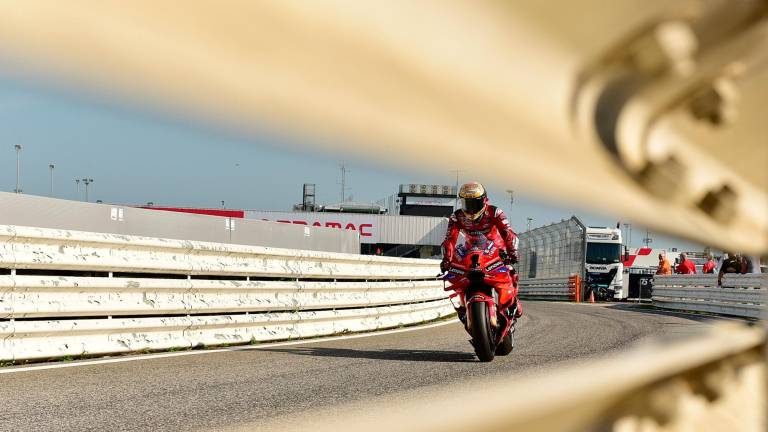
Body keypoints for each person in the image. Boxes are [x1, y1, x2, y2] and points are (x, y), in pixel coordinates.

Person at [441, 181, 521, 319]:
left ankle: (512, 301)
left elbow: (507, 232)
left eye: (475, 204)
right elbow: (450, 239)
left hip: (496, 248)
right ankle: (463, 305)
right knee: (457, 273)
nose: (471, 209)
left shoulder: (495, 212)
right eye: (467, 203)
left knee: (509, 269)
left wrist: (511, 252)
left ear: (484, 200)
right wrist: (447, 259)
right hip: (472, 249)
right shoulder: (456, 216)